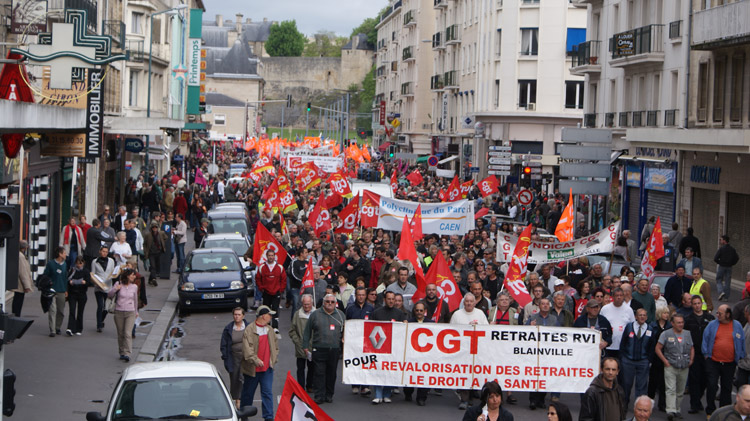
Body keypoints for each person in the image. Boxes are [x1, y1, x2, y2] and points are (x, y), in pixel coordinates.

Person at [702, 304, 746, 416]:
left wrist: (741, 356)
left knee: (726, 388)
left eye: (720, 313)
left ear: (727, 314)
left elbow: (741, 341)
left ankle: (724, 412)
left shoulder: (737, 326)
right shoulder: (712, 325)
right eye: (717, 313)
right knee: (712, 385)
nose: (717, 315)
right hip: (713, 361)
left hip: (730, 363)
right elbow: (705, 339)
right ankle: (710, 410)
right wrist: (706, 354)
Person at [302, 293, 346, 405]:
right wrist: (305, 346)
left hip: (334, 349)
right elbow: (307, 331)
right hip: (319, 348)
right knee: (319, 373)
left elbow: (346, 331)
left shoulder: (341, 315)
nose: (330, 304)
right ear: (323, 302)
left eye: (332, 302)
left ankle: (329, 395)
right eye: (327, 301)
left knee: (331, 373)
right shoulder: (315, 314)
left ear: (336, 303)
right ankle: (319, 396)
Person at [240, 305, 278, 421]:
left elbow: (275, 346)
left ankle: (269, 417)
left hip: (267, 369)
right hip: (252, 369)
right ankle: (244, 415)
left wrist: (273, 359)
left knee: (267, 393)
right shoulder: (249, 330)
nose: (271, 317)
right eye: (269, 314)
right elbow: (247, 350)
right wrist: (256, 360)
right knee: (248, 394)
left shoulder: (269, 330)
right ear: (263, 316)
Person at [452, 292, 489, 409]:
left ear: (474, 303)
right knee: (464, 375)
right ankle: (464, 400)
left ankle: (478, 400)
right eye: (467, 301)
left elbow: (487, 330)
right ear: (463, 303)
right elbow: (450, 332)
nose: (469, 303)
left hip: (478, 350)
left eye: (471, 301)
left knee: (477, 375)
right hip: (463, 351)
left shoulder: (480, 314)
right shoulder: (457, 315)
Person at [655, 313, 693, 421]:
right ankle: (670, 410)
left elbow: (691, 348)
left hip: (684, 366)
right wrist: (665, 361)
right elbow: (658, 348)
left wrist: (691, 360)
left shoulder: (687, 334)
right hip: (670, 365)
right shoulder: (666, 334)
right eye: (678, 323)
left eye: (682, 322)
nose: (681, 324)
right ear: (672, 323)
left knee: (680, 390)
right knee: (670, 388)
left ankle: (677, 409)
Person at [685, 294, 715, 414]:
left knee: (705, 380)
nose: (697, 306)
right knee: (694, 380)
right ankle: (695, 404)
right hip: (694, 353)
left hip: (707, 354)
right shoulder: (688, 319)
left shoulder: (710, 318)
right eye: (695, 303)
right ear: (691, 305)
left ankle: (699, 398)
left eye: (699, 303)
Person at [619, 308, 651, 407]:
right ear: (636, 317)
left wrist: (648, 360)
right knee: (626, 384)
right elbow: (623, 343)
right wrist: (622, 358)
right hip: (628, 360)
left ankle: (639, 406)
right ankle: (624, 404)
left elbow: (652, 346)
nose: (642, 317)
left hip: (643, 361)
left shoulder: (650, 329)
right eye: (640, 315)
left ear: (646, 317)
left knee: (641, 386)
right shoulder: (629, 327)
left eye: (644, 315)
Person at [108, 269, 139, 362]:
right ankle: (121, 352)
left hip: (130, 312)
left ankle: (127, 353)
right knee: (120, 333)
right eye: (132, 275)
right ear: (127, 276)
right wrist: (115, 289)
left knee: (127, 333)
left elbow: (135, 300)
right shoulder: (118, 284)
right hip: (119, 311)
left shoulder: (134, 287)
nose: (134, 277)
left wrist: (136, 311)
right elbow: (109, 295)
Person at [220, 307, 248, 408]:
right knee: (235, 379)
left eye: (239, 314)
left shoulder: (248, 327)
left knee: (244, 378)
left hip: (246, 358)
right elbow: (223, 344)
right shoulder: (228, 328)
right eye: (235, 314)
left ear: (243, 316)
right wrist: (225, 357)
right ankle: (237, 400)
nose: (237, 316)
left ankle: (242, 400)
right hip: (233, 358)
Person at [404, 301, 431, 406]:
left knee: (424, 377)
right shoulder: (408, 322)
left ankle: (421, 398)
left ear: (425, 311)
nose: (419, 312)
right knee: (409, 375)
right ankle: (408, 393)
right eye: (417, 310)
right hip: (411, 354)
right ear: (414, 311)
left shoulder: (431, 324)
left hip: (425, 355)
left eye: (421, 310)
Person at [646, 306, 671, 412]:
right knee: (652, 381)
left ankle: (662, 404)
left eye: (667, 313)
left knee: (664, 382)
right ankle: (649, 402)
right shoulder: (652, 326)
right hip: (654, 357)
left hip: (665, 356)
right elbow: (649, 342)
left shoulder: (669, 326)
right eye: (664, 313)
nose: (666, 315)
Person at [289, 294, 315, 393]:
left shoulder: (317, 314)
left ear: (312, 303)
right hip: (300, 347)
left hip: (313, 347)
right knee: (300, 368)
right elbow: (292, 331)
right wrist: (297, 341)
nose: (306, 306)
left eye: (308, 304)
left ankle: (310, 385)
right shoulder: (297, 314)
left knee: (312, 368)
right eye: (304, 304)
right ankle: (300, 387)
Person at [256, 250, 286, 332]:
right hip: (266, 292)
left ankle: (275, 327)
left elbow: (283, 279)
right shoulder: (262, 267)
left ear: (274, 256)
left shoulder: (280, 267)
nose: (271, 257)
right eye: (269, 255)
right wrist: (261, 288)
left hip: (276, 292)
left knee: (275, 309)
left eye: (272, 255)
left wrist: (281, 289)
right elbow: (258, 279)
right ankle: (267, 325)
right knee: (266, 309)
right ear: (266, 256)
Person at [600, 288, 635, 359]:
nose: (619, 297)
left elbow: (632, 327)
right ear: (612, 297)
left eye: (621, 295)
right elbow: (600, 325)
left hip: (623, 347)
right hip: (607, 346)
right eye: (617, 295)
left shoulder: (629, 310)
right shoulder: (605, 309)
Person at [44, 246, 68, 337]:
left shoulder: (65, 264)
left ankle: (58, 326)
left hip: (61, 290)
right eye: (64, 253)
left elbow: (65, 277)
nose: (66, 254)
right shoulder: (50, 264)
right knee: (52, 310)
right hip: (52, 290)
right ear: (60, 254)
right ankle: (52, 329)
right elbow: (46, 275)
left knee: (61, 311)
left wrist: (66, 290)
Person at [66, 256, 90, 336]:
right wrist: (69, 285)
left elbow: (89, 282)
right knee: (72, 310)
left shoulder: (86, 271)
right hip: (72, 293)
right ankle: (70, 328)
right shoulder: (72, 270)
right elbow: (68, 279)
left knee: (80, 311)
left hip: (82, 294)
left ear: (83, 263)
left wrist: (85, 282)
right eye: (77, 263)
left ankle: (79, 328)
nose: (79, 265)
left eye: (81, 263)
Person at [714, 235, 740, 302]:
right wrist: (732, 263)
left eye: (721, 240)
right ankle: (726, 297)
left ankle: (721, 291)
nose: (720, 241)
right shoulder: (732, 249)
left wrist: (719, 262)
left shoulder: (721, 249)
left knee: (719, 279)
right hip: (729, 267)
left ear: (724, 241)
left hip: (722, 266)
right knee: (727, 281)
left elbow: (715, 258)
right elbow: (737, 258)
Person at [11, 241, 33, 317]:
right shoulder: (20, 256)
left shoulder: (20, 255)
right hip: (20, 284)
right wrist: (27, 285)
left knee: (18, 300)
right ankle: (16, 316)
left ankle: (16, 315)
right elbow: (22, 271)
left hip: (20, 283)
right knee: (18, 301)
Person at [143, 222, 167, 287]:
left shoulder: (161, 233)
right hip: (151, 253)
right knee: (153, 266)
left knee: (156, 266)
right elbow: (145, 244)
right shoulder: (148, 235)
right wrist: (145, 252)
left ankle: (150, 279)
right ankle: (154, 279)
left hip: (158, 252)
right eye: (153, 227)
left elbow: (165, 238)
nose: (154, 229)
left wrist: (162, 245)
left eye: (156, 227)